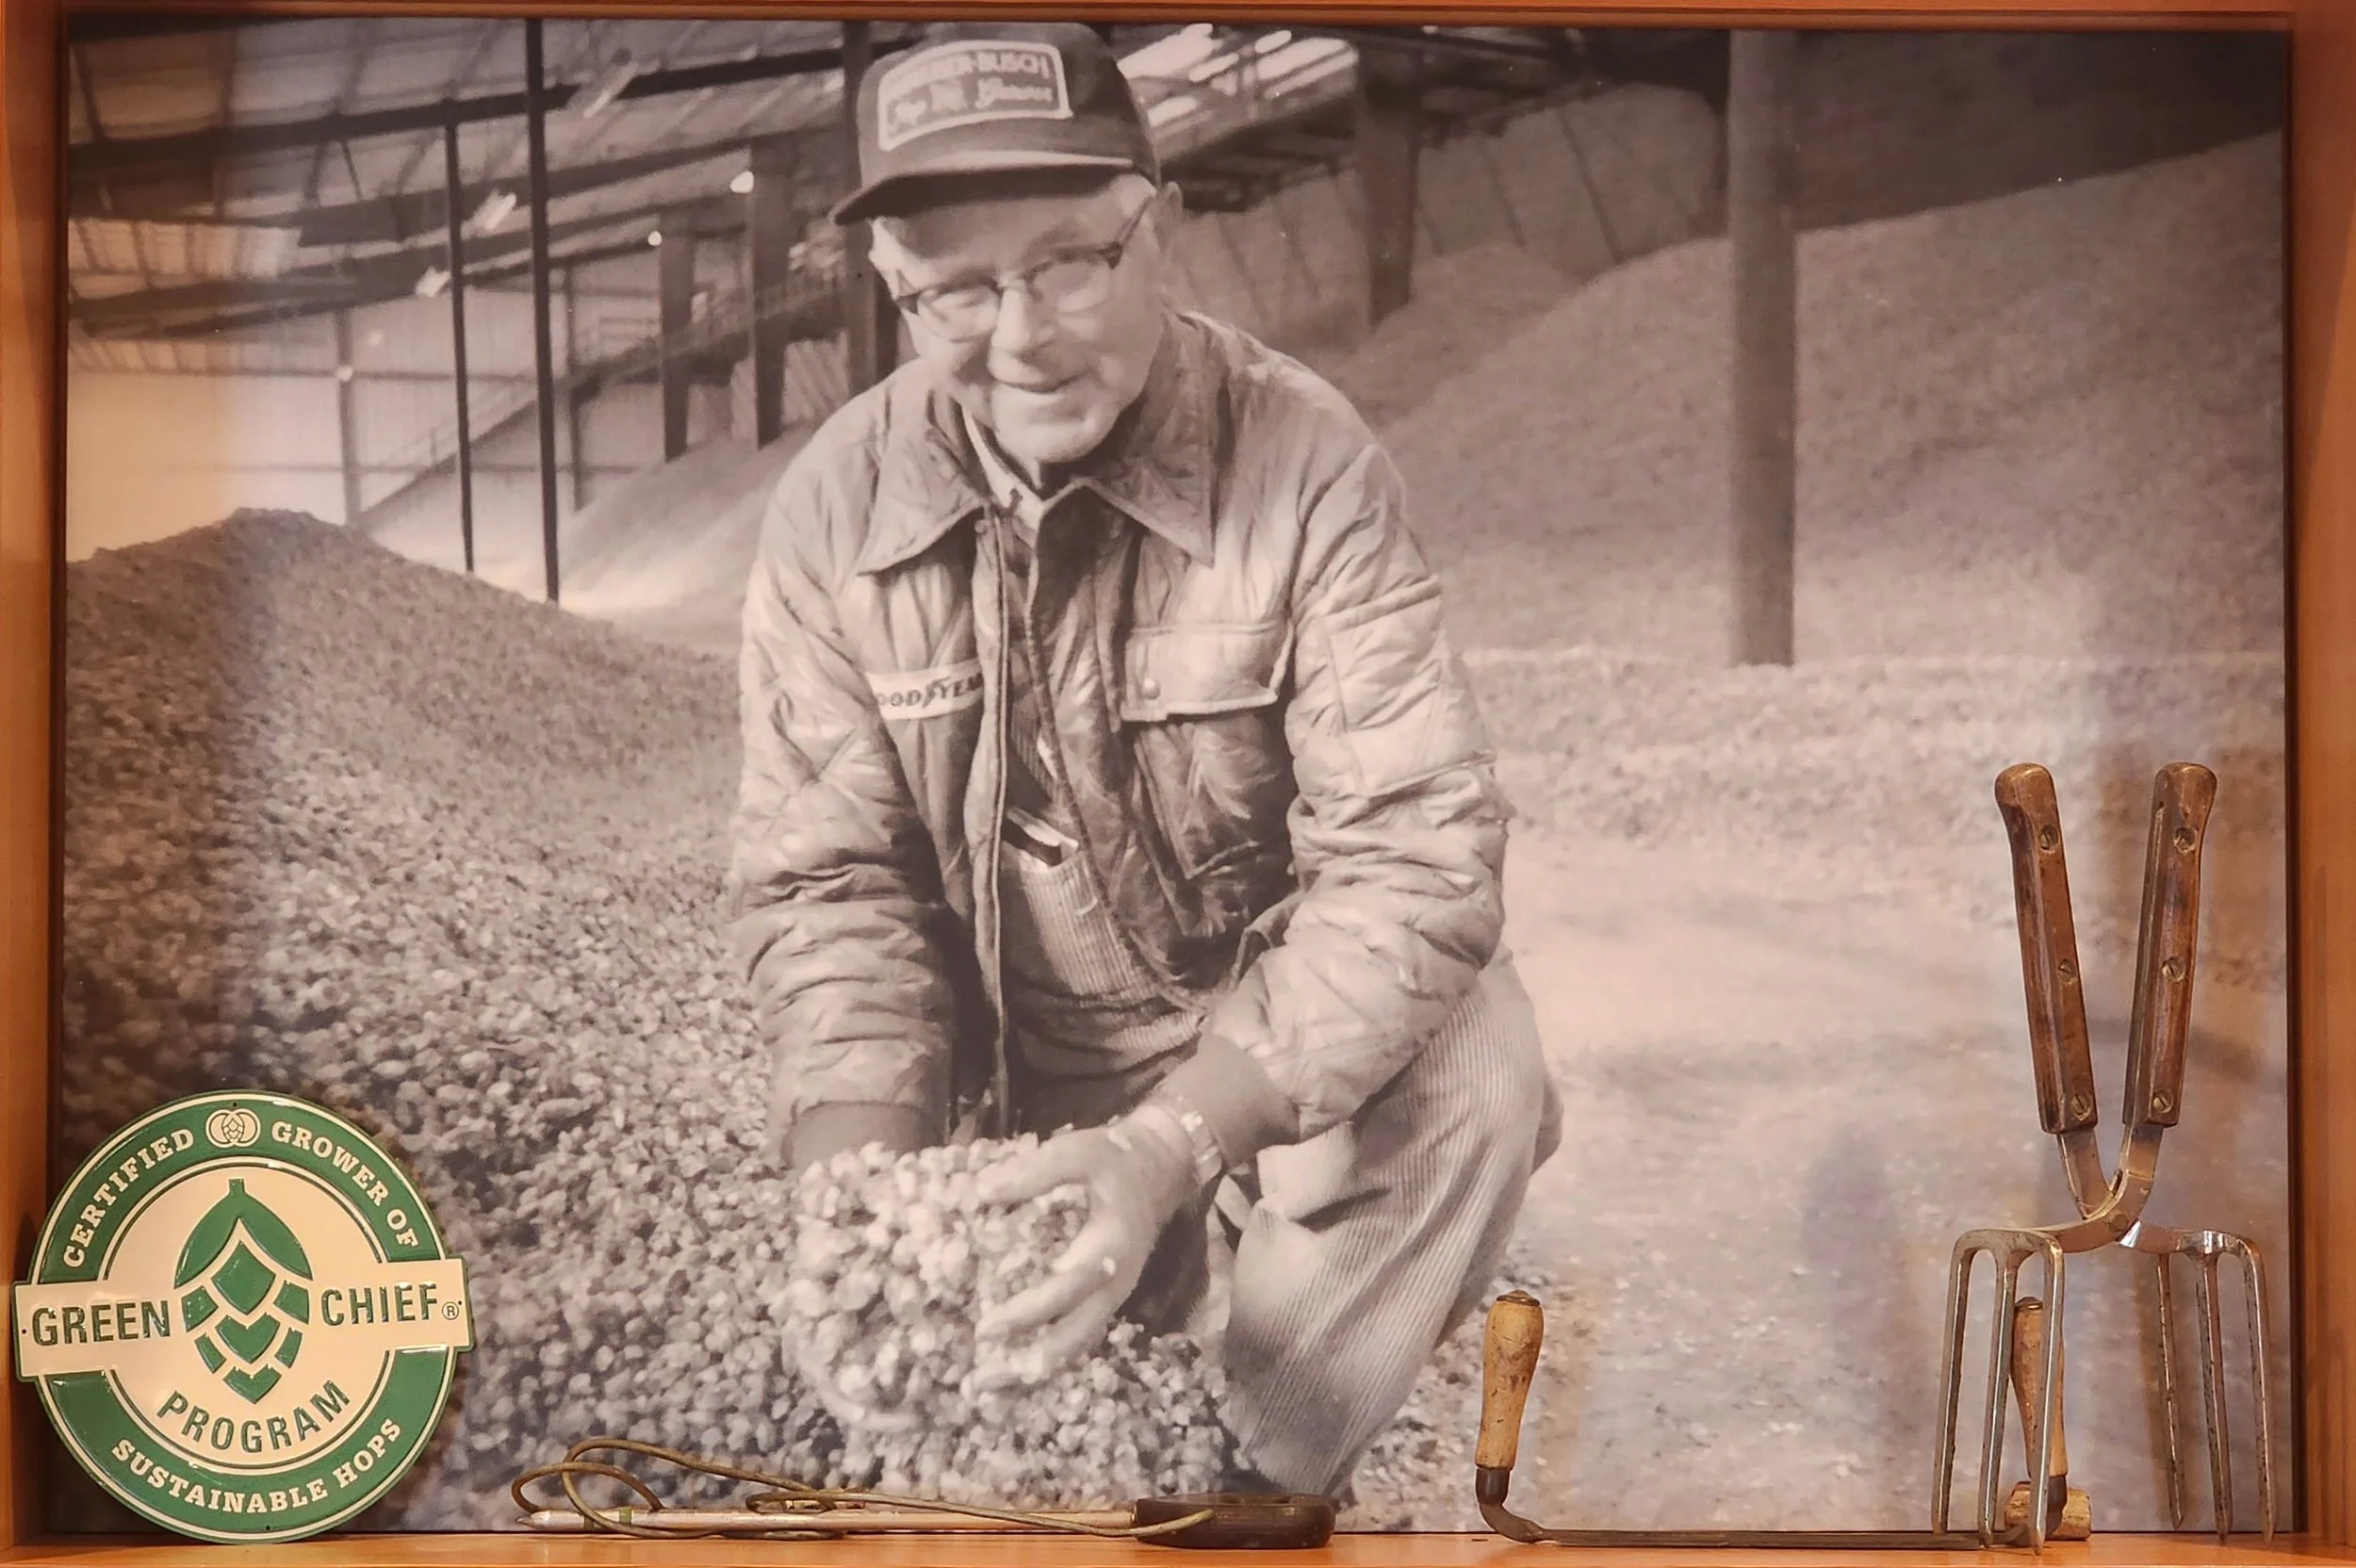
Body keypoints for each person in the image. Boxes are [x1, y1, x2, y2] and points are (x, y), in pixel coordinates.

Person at [727, 20, 1560, 1501]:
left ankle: (1244, 1472)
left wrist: (1177, 1141)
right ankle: (1131, 1308)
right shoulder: (832, 514)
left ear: (1155, 226)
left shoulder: (1305, 465)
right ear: (891, 290)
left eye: (1069, 262)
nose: (1023, 336)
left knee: (1480, 1071)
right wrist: (860, 1201)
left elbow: (1418, 861)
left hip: (1252, 1044)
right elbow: (833, 890)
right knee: (912, 1390)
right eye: (958, 292)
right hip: (1017, 1075)